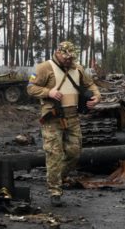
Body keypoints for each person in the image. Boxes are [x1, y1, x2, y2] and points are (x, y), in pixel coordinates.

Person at [27, 41, 100, 207]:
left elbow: (90, 84)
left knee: (74, 152)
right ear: (58, 53)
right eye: (66, 57)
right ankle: (55, 191)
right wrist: (48, 92)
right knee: (54, 154)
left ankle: (56, 178)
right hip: (52, 117)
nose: (69, 60)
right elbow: (31, 88)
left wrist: (97, 97)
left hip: (73, 117)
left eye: (71, 57)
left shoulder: (78, 68)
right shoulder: (44, 67)